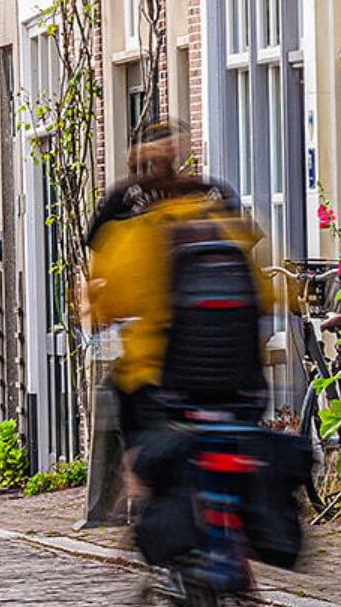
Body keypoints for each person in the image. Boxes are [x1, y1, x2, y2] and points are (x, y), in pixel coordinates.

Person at [77, 120, 239, 529]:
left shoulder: (125, 208)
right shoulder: (212, 195)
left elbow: (100, 283)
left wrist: (95, 315)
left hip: (157, 358)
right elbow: (250, 263)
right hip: (230, 354)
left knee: (123, 398)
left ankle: (138, 490)